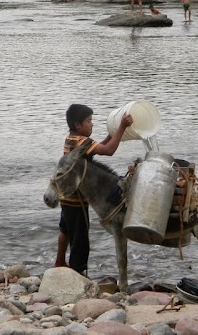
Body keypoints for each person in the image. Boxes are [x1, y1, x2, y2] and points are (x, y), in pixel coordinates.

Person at [53, 104, 134, 275]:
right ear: (78, 125)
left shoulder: (72, 139)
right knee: (80, 238)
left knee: (66, 229)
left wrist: (112, 134)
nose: (92, 124)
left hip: (65, 195)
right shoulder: (82, 142)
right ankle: (78, 272)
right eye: (89, 121)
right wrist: (122, 127)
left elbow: (96, 149)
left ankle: (59, 261)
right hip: (77, 199)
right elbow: (109, 150)